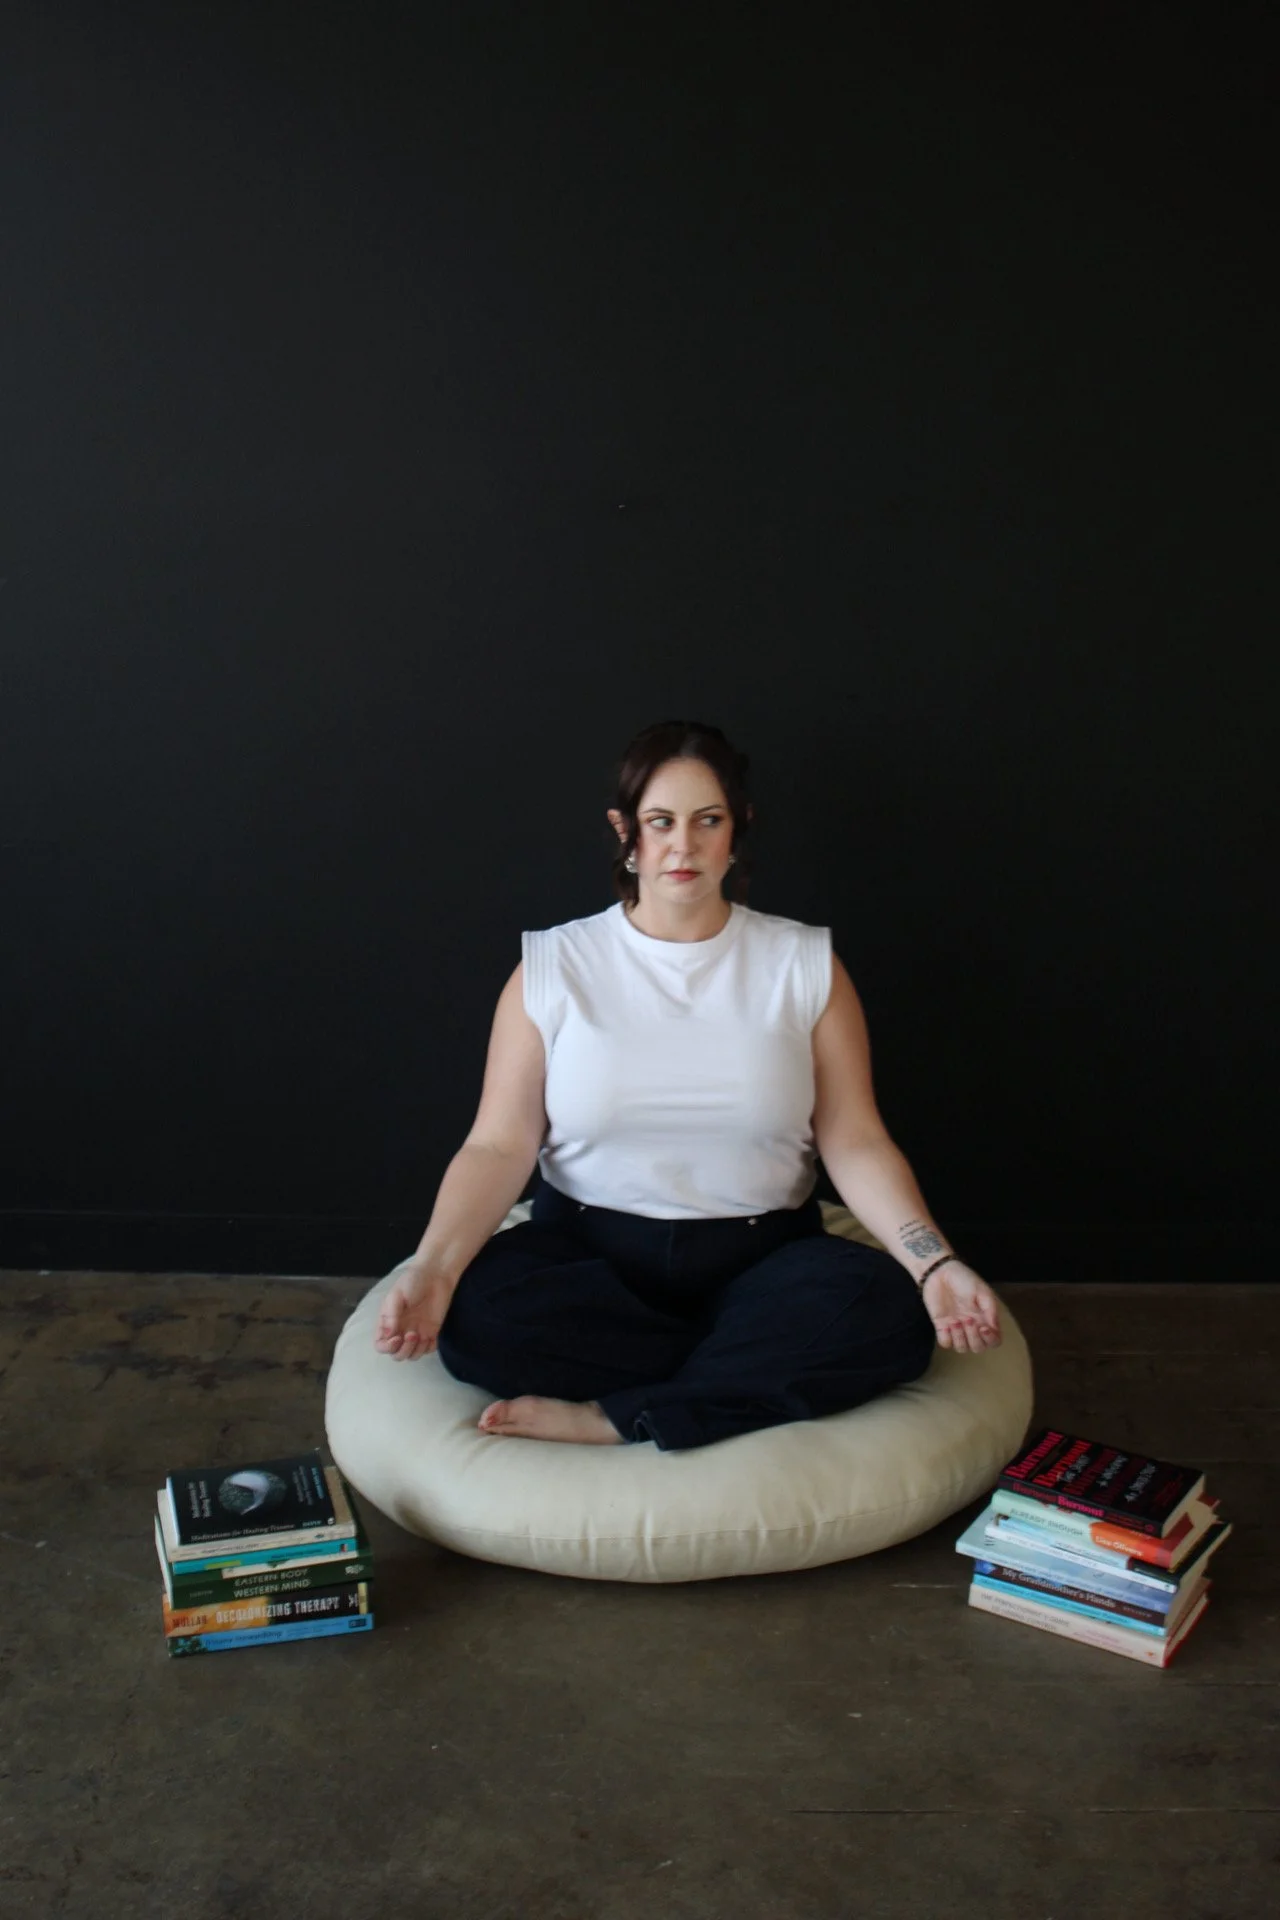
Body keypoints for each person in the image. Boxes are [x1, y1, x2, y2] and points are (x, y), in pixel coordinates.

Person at [374, 719, 1002, 1449]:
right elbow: (497, 1144)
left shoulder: (803, 963)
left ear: (738, 830)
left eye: (709, 821)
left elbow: (855, 1139)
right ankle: (726, 1376)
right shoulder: (553, 966)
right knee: (483, 1317)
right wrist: (434, 1267)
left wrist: (935, 1264)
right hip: (589, 1259)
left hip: (764, 1260)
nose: (684, 846)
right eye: (660, 822)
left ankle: (625, 1413)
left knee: (885, 1311)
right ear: (624, 831)